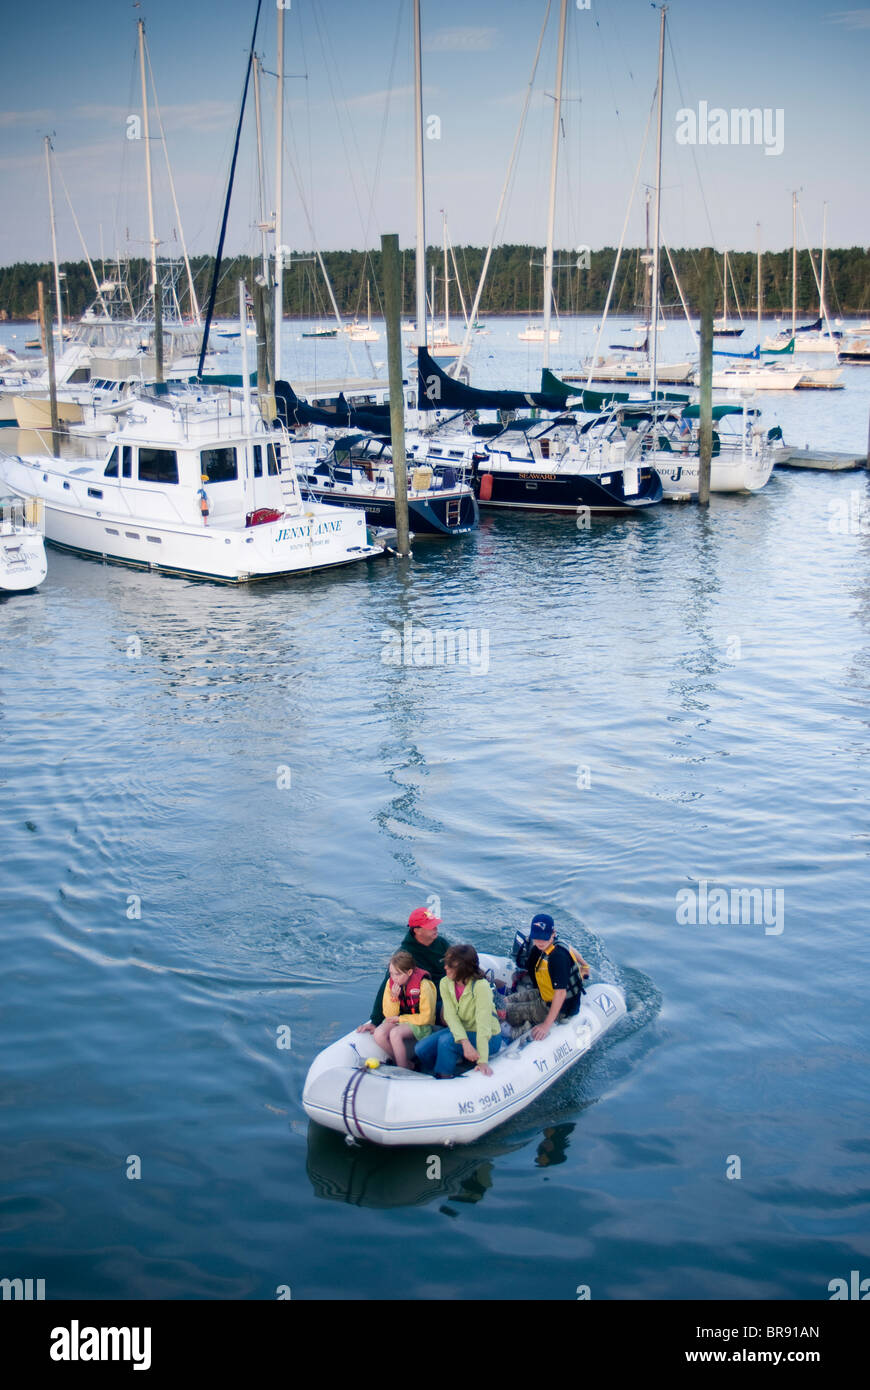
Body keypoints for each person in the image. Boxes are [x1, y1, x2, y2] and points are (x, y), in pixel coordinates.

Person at [415, 944, 503, 1078]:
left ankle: (444, 1077)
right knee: (421, 1049)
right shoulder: (445, 983)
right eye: (445, 963)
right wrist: (465, 1043)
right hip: (463, 1031)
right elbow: (450, 1016)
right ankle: (438, 1071)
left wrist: (483, 1060)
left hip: (489, 1037)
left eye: (450, 965)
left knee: (447, 1042)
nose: (445, 967)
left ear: (464, 968)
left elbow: (483, 1025)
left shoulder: (481, 987)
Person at [359, 906, 450, 1032]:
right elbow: (387, 985)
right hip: (428, 1002)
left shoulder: (441, 943)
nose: (436, 927)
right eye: (430, 925)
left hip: (448, 991)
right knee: (449, 1014)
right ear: (417, 931)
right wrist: (375, 1021)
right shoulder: (405, 955)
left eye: (435, 924)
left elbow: (457, 963)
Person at [505, 913, 589, 1041]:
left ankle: (526, 1027)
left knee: (506, 1012)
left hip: (560, 1007)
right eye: (537, 938)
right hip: (545, 994)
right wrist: (584, 965)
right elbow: (571, 948)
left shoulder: (557, 958)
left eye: (544, 938)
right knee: (505, 1001)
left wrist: (546, 1026)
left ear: (553, 933)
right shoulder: (549, 945)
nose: (540, 942)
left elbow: (560, 993)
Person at [366, 950, 436, 1068]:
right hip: (399, 1019)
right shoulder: (391, 983)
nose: (394, 978)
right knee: (379, 1034)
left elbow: (426, 1017)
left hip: (420, 1023)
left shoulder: (424, 985)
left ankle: (402, 1068)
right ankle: (405, 1063)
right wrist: (394, 998)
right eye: (391, 973)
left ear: (409, 972)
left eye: (397, 974)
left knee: (395, 1033)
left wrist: (401, 1018)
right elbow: (389, 1015)